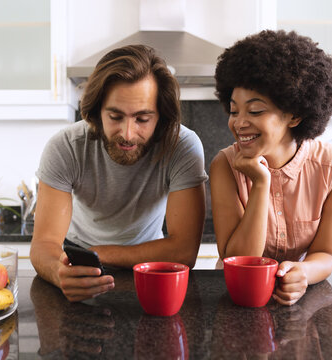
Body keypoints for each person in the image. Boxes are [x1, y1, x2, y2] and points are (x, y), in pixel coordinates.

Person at [30, 44, 208, 302]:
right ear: (97, 111)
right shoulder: (66, 147)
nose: (127, 133)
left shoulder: (181, 146)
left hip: (149, 270)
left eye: (142, 119)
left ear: (161, 117)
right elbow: (44, 244)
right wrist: (58, 273)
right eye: (115, 116)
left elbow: (183, 251)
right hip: (77, 268)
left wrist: (97, 253)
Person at [210, 30, 332, 306]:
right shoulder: (224, 166)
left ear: (295, 114)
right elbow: (238, 261)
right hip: (238, 299)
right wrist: (261, 183)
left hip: (301, 299)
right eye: (234, 110)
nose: (239, 123)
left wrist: (303, 272)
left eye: (254, 112)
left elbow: (326, 253)